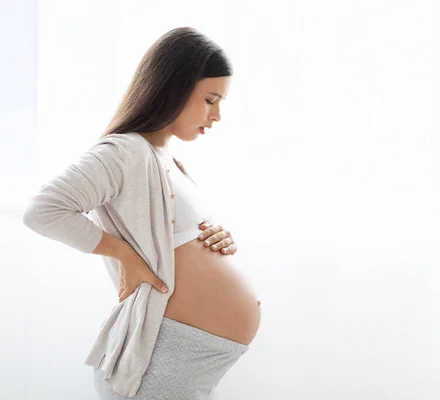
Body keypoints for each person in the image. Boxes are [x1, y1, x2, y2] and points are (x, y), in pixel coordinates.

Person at [22, 27, 261, 399]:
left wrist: (217, 238)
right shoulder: (125, 151)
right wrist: (123, 254)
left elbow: (173, 240)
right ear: (174, 89)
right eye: (210, 100)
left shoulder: (167, 160)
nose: (217, 116)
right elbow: (43, 210)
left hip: (188, 357)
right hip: (162, 357)